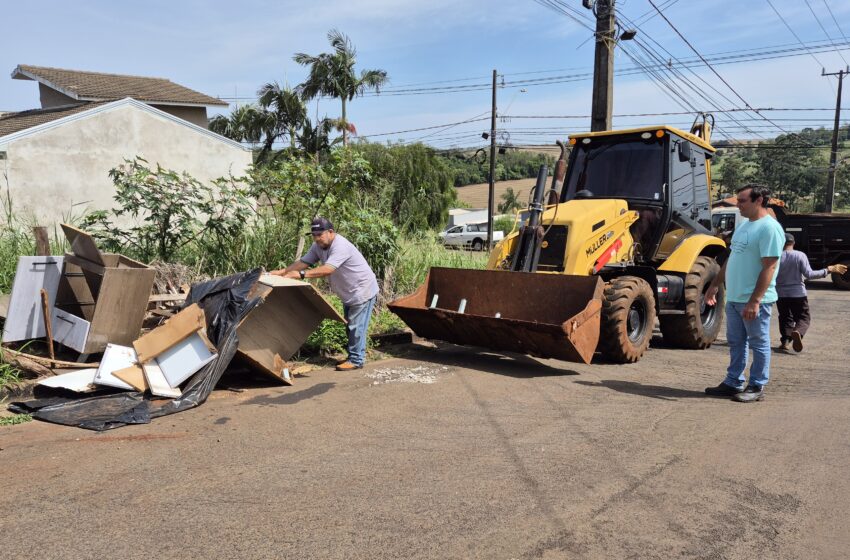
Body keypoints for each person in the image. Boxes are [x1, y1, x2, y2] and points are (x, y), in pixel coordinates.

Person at [704, 184, 785, 403]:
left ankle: (757, 385)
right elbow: (731, 258)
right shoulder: (743, 226)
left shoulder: (770, 228)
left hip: (753, 300)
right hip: (735, 298)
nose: (737, 204)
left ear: (758, 201)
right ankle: (733, 382)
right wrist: (714, 284)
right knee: (736, 342)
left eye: (742, 201)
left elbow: (769, 266)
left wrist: (755, 300)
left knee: (758, 342)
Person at [272, 217, 379, 371]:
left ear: (330, 232)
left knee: (356, 327)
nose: (316, 238)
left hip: (362, 289)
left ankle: (356, 360)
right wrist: (282, 272)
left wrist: (300, 275)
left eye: (320, 235)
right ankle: (353, 356)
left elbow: (328, 269)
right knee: (350, 326)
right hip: (348, 291)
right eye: (314, 235)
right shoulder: (318, 246)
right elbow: (304, 262)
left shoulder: (340, 246)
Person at [775, 233, 847, 352]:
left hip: (781, 294)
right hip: (798, 294)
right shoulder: (800, 255)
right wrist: (828, 270)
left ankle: (785, 342)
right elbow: (809, 274)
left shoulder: (776, 257)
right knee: (803, 318)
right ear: (793, 243)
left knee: (785, 317)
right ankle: (798, 331)